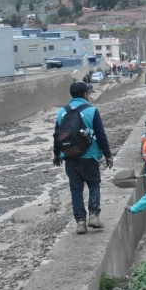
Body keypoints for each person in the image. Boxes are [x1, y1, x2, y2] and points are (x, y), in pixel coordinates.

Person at [53, 82, 113, 234]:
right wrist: (107, 155)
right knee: (94, 185)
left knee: (75, 189)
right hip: (89, 157)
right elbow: (100, 135)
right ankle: (93, 215)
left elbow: (57, 135)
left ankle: (80, 222)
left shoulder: (61, 112)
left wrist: (56, 154)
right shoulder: (91, 111)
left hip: (70, 157)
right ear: (86, 94)